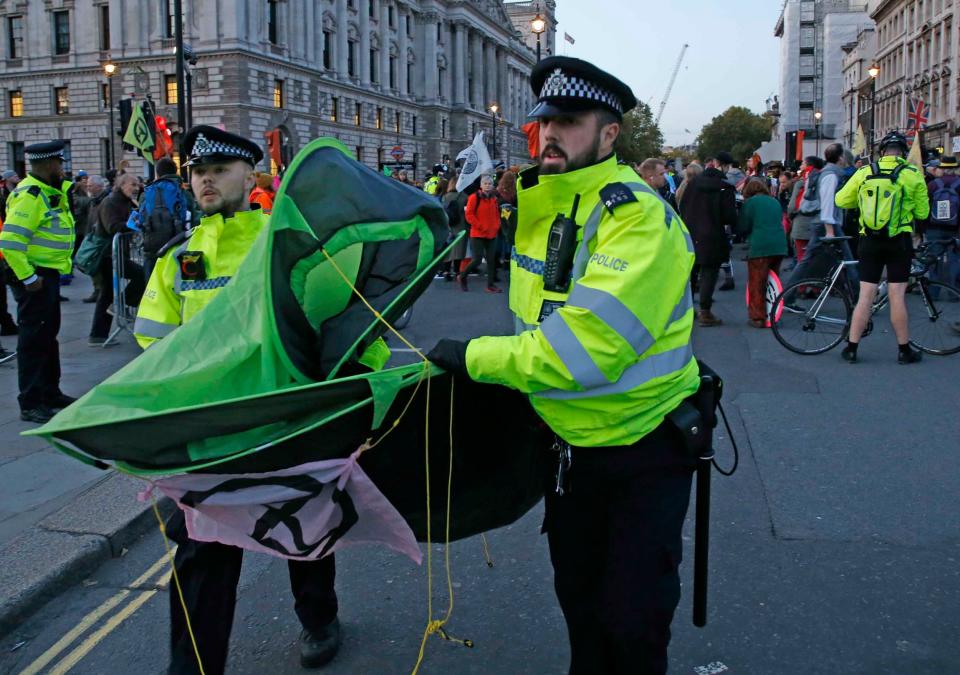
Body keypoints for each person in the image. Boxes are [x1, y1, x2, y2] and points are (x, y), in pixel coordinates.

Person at [428, 56, 700, 675]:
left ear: (609, 135)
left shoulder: (635, 218)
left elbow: (584, 350)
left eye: (569, 121)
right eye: (544, 122)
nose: (550, 134)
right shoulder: (547, 204)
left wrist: (471, 357)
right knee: (579, 604)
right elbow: (536, 324)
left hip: (642, 447)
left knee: (632, 621)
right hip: (567, 448)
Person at [134, 126, 342, 674]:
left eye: (219, 170)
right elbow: (153, 343)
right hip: (213, 439)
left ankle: (319, 619)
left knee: (306, 533)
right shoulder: (176, 258)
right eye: (199, 171)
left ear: (252, 177)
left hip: (285, 425)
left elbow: (333, 326)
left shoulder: (285, 244)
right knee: (202, 556)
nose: (205, 178)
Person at [0, 141, 77, 423]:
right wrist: (29, 278)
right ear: (47, 165)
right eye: (58, 163)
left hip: (47, 274)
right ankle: (30, 402)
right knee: (33, 340)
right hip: (35, 276)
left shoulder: (48, 192)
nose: (62, 168)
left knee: (47, 336)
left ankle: (49, 392)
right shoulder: (30, 196)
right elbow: (9, 242)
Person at [835, 131, 928, 364]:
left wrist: (862, 202)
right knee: (897, 295)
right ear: (903, 152)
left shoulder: (865, 171)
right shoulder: (911, 174)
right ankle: (904, 350)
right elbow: (923, 213)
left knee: (866, 294)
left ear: (882, 151)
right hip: (899, 240)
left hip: (869, 240)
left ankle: (852, 348)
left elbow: (841, 200)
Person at [787, 146, 858, 289]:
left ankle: (858, 295)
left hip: (825, 223)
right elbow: (826, 203)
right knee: (847, 260)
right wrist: (830, 230)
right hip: (826, 224)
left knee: (809, 260)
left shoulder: (830, 173)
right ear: (840, 158)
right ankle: (859, 297)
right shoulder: (831, 175)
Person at [678, 155, 737, 326]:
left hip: (690, 232)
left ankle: (687, 309)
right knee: (709, 273)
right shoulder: (724, 188)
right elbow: (729, 216)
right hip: (712, 235)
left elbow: (683, 205)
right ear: (724, 167)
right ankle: (705, 311)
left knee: (691, 273)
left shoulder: (693, 184)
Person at [88, 173, 145, 346]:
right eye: (132, 184)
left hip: (117, 254)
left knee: (106, 294)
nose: (136, 188)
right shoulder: (111, 201)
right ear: (121, 185)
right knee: (141, 276)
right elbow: (112, 227)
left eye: (137, 184)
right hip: (107, 255)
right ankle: (119, 305)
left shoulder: (125, 201)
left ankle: (98, 335)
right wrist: (133, 225)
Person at [738, 178, 788, 327]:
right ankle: (773, 313)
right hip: (779, 244)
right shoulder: (774, 201)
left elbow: (743, 226)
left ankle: (758, 317)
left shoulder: (750, 203)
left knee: (757, 282)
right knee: (773, 282)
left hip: (760, 245)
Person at [459, 174, 502, 293]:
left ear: (492, 185)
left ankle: (490, 285)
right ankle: (463, 276)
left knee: (491, 260)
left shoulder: (493, 198)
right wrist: (480, 226)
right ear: (481, 185)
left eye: (489, 184)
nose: (488, 186)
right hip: (478, 233)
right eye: (485, 184)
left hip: (492, 233)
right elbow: (469, 215)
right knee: (477, 259)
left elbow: (496, 214)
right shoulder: (474, 197)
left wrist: (497, 225)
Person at [924, 155, 960, 289]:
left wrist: (924, 226)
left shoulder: (933, 184)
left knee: (933, 258)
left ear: (942, 169)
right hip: (955, 228)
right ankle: (954, 290)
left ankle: (933, 290)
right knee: (955, 259)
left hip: (933, 227)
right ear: (955, 169)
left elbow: (925, 206)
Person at [441, 174, 469, 280]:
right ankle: (457, 271)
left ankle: (447, 272)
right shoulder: (464, 196)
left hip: (448, 226)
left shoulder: (445, 196)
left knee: (449, 249)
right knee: (459, 250)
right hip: (461, 225)